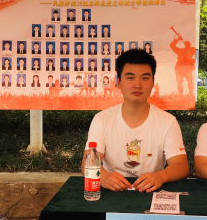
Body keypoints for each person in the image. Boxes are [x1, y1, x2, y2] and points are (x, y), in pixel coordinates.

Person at [81, 49, 189, 192]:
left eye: (145, 78)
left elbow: (181, 166)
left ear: (153, 82)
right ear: (119, 82)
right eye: (130, 77)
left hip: (150, 190)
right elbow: (88, 163)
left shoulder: (168, 121)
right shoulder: (102, 119)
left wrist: (160, 177)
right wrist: (104, 177)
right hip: (113, 191)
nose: (138, 84)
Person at [170, 30, 194, 95]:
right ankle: (185, 94)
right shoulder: (189, 50)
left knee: (187, 81)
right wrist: (178, 39)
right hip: (182, 68)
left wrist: (178, 39)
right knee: (182, 82)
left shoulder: (185, 50)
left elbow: (172, 45)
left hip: (183, 68)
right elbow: (172, 46)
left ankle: (190, 94)